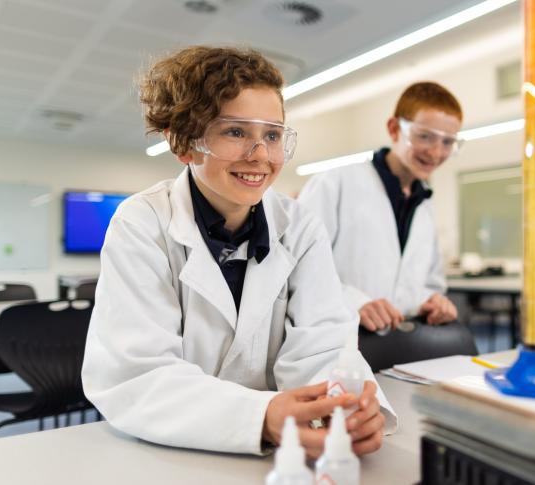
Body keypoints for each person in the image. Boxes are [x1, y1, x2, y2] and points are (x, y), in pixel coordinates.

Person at [81, 46, 394, 456]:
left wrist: (347, 403)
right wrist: (260, 416)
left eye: (272, 134)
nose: (260, 155)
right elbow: (137, 374)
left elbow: (323, 347)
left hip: (276, 455)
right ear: (185, 144)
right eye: (235, 132)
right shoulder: (142, 224)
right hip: (163, 449)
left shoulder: (299, 227)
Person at [297, 82, 462, 332]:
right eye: (425, 136)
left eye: (448, 142)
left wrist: (432, 302)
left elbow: (429, 283)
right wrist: (353, 302)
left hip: (400, 345)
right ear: (394, 129)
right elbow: (298, 267)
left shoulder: (424, 202)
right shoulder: (335, 183)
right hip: (338, 341)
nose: (436, 152)